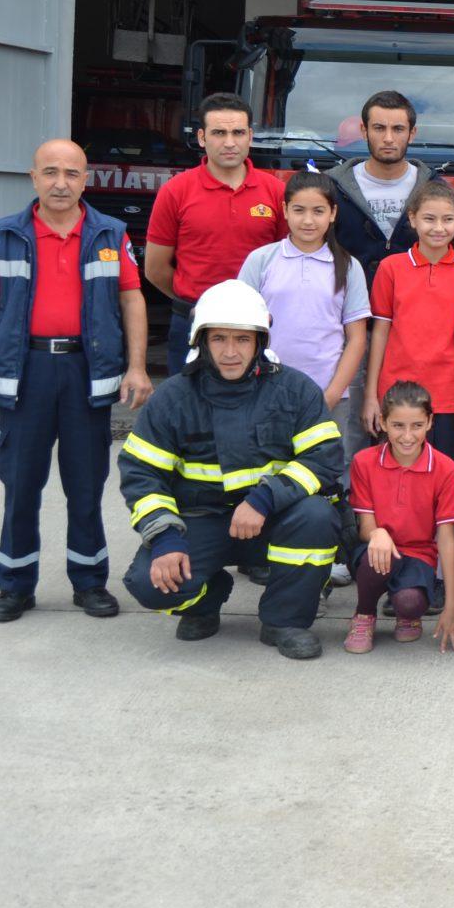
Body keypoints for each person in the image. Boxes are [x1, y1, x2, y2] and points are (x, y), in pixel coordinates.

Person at [0, 139, 153, 622]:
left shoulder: (109, 234)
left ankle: (89, 583)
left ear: (86, 179)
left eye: (71, 173)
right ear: (33, 177)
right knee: (21, 485)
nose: (60, 183)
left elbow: (132, 299)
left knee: (85, 485)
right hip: (27, 373)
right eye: (50, 172)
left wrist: (138, 365)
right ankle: (15, 586)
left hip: (87, 373)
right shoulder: (6, 235)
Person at [118, 280, 347, 660]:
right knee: (148, 584)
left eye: (242, 339)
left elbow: (323, 456)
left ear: (260, 341)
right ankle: (206, 598)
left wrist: (264, 498)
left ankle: (285, 620)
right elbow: (142, 475)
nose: (230, 352)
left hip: (272, 519)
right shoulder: (173, 398)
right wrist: (165, 539)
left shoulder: (294, 391)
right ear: (200, 342)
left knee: (318, 516)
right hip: (201, 522)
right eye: (219, 339)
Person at [237, 172, 371, 584]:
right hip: (267, 392)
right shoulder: (262, 260)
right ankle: (263, 552)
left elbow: (356, 338)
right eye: (298, 210)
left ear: (333, 214)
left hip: (328, 395)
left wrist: (331, 393)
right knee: (269, 469)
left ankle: (329, 552)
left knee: (330, 474)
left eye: (318, 211)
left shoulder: (347, 266)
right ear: (284, 211)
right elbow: (242, 326)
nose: (308, 220)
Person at [365, 182, 454, 580]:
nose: (438, 227)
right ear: (412, 219)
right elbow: (379, 332)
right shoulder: (391, 267)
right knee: (398, 485)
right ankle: (402, 565)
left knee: (445, 484)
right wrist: (371, 397)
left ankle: (444, 565)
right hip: (397, 397)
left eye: (448, 219)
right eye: (429, 218)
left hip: (447, 397)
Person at [143, 93, 286, 375]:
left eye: (238, 132)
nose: (230, 142)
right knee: (189, 412)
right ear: (202, 137)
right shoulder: (176, 191)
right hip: (193, 320)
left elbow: (286, 261)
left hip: (257, 323)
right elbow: (155, 269)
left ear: (250, 136)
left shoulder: (275, 191)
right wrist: (202, 302)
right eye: (219, 133)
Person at [344, 379, 454, 655]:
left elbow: (447, 539)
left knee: (409, 602)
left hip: (419, 554)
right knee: (377, 560)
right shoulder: (364, 462)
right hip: (375, 550)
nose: (407, 436)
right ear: (383, 423)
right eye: (398, 425)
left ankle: (406, 613)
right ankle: (364, 614)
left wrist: (453, 604)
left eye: (417, 426)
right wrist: (377, 533)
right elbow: (365, 525)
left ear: (430, 422)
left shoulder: (445, 469)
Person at [326, 90, 434, 282]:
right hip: (347, 306)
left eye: (398, 129)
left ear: (412, 134)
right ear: (364, 131)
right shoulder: (330, 188)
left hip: (413, 306)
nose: (388, 138)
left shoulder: (434, 190)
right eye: (379, 128)